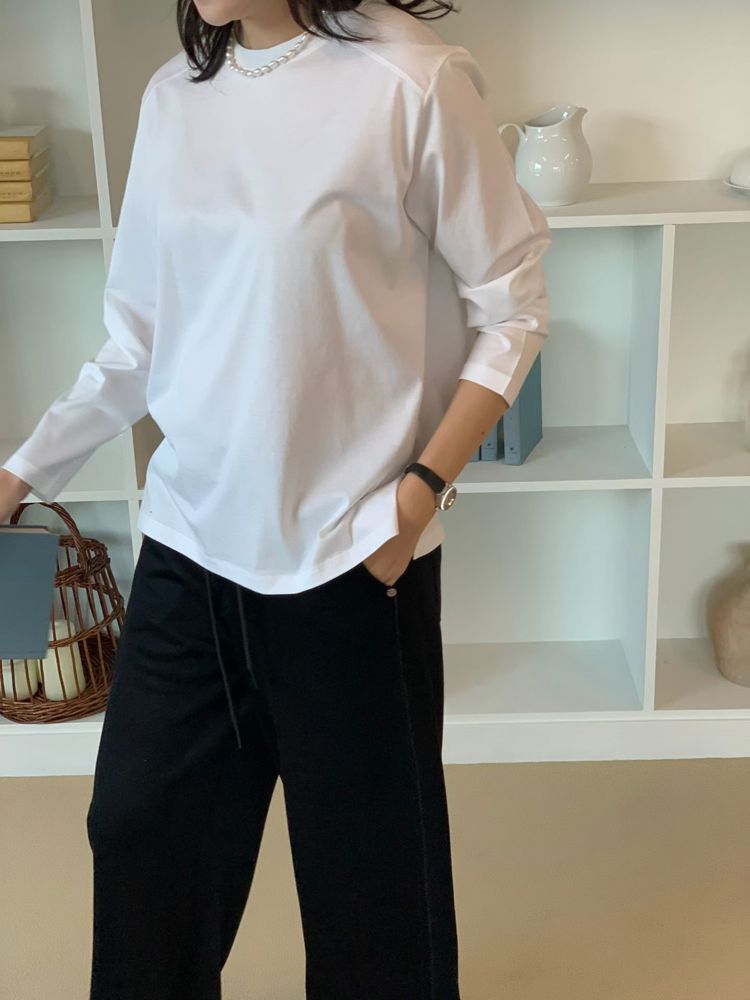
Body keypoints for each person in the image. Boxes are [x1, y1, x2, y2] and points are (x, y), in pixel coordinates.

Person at [0, 0, 553, 996]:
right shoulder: (174, 96)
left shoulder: (411, 80)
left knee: (372, 904)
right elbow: (136, 343)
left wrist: (419, 497)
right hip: (188, 549)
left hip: (350, 563)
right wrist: (20, 474)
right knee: (139, 838)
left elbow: (513, 307)